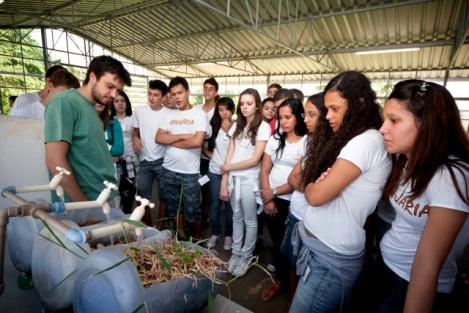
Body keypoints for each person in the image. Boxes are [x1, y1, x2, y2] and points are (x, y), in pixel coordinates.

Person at [289, 71, 391, 312]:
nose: (329, 116)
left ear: (359, 104)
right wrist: (317, 182)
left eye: (335, 109)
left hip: (329, 260)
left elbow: (313, 195)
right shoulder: (354, 139)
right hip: (322, 251)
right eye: (327, 109)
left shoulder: (364, 142)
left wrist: (314, 184)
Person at [378, 80, 469, 313]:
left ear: (427, 124)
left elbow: (427, 265)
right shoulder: (407, 160)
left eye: (394, 120)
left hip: (415, 285)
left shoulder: (450, 176)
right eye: (384, 119)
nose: (383, 128)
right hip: (390, 270)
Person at [45, 55, 131, 207]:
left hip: (104, 198)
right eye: (110, 86)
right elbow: (55, 161)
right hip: (85, 205)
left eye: (118, 90)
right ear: (92, 77)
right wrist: (85, 207)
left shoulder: (91, 108)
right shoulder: (64, 102)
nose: (113, 95)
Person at [220, 88, 271, 277]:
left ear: (257, 105)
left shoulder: (263, 127)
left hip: (250, 180)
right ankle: (236, 253)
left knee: (250, 220)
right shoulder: (236, 126)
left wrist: (227, 167)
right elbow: (229, 155)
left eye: (249, 103)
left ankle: (246, 256)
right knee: (236, 216)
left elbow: (254, 159)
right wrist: (225, 180)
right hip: (234, 179)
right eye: (242, 103)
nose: (245, 107)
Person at [260, 98, 307, 301]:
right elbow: (265, 169)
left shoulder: (308, 141)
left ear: (299, 116)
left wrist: (275, 192)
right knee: (278, 243)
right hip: (272, 199)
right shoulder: (275, 138)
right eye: (280, 118)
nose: (284, 122)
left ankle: (296, 287)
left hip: (294, 202)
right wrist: (268, 197)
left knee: (293, 248)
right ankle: (281, 281)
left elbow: (301, 178)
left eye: (288, 117)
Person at [283, 93, 324, 301]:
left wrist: (305, 187)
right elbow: (292, 178)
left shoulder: (333, 149)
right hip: (296, 210)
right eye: (304, 114)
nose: (305, 119)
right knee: (291, 260)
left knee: (304, 269)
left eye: (312, 114)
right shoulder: (310, 140)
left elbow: (316, 193)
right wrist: (309, 188)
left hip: (311, 221)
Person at [156, 76, 206, 239]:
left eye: (180, 93)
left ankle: (197, 240)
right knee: (175, 209)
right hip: (168, 170)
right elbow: (158, 138)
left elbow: (197, 142)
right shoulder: (169, 115)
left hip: (190, 173)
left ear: (188, 93)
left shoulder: (199, 114)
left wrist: (171, 140)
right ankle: (181, 238)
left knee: (193, 211)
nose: (176, 97)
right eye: (173, 94)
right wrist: (184, 136)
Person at [132, 80, 170, 225]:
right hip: (144, 161)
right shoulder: (139, 111)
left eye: (155, 95)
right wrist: (135, 138)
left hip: (163, 161)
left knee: (164, 197)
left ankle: (159, 226)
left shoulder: (169, 113)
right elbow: (135, 132)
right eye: (149, 94)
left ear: (163, 97)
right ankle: (148, 227)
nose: (151, 98)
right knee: (142, 197)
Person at [205, 97, 235, 250]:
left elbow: (236, 150)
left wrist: (228, 130)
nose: (224, 113)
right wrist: (204, 151)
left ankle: (229, 235)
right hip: (214, 171)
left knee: (230, 206)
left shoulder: (238, 127)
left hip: (230, 172)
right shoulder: (214, 126)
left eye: (227, 109)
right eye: (221, 109)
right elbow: (214, 149)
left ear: (232, 110)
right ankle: (215, 233)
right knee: (215, 205)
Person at [111, 90, 138, 214]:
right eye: (116, 101)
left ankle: (127, 214)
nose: (120, 103)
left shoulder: (133, 120)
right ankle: (117, 217)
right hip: (114, 161)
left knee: (129, 191)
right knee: (116, 191)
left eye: (123, 101)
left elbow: (138, 138)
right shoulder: (109, 121)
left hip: (130, 160)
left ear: (127, 103)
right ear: (112, 103)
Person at [201, 77, 219, 228]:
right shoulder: (198, 110)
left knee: (208, 184)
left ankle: (206, 214)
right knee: (199, 182)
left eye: (210, 89)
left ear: (216, 92)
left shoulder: (218, 111)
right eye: (205, 88)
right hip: (197, 154)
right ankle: (200, 211)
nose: (207, 91)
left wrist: (207, 150)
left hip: (211, 155)